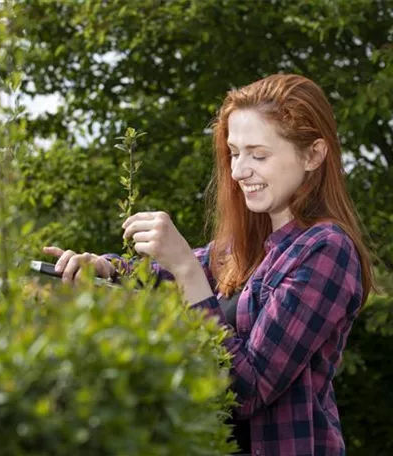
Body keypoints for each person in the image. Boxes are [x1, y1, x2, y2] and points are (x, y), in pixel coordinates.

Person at [44, 74, 374, 456]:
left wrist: (186, 269)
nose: (238, 172)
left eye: (258, 154)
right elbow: (151, 278)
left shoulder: (325, 250)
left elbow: (247, 390)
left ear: (313, 155)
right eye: (235, 153)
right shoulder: (241, 250)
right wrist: (100, 268)